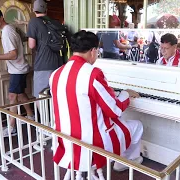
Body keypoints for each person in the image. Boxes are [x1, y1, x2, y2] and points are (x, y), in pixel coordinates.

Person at [50, 30, 143, 175]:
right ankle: (123, 162)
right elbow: (115, 110)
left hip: (65, 140)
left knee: (117, 122)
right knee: (137, 125)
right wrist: (125, 93)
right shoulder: (93, 74)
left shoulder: (56, 74)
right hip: (93, 144)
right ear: (93, 51)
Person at [0, 7, 34, 137]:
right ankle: (31, 116)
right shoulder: (9, 28)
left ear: (1, 17)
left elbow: (13, 55)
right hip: (18, 68)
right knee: (20, 94)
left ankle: (11, 127)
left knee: (12, 96)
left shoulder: (7, 32)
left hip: (18, 69)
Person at [27, 0, 64, 99]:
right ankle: (54, 114)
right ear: (46, 10)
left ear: (34, 10)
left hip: (43, 64)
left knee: (40, 96)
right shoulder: (55, 23)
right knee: (55, 94)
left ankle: (44, 115)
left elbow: (31, 45)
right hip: (58, 64)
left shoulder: (33, 22)